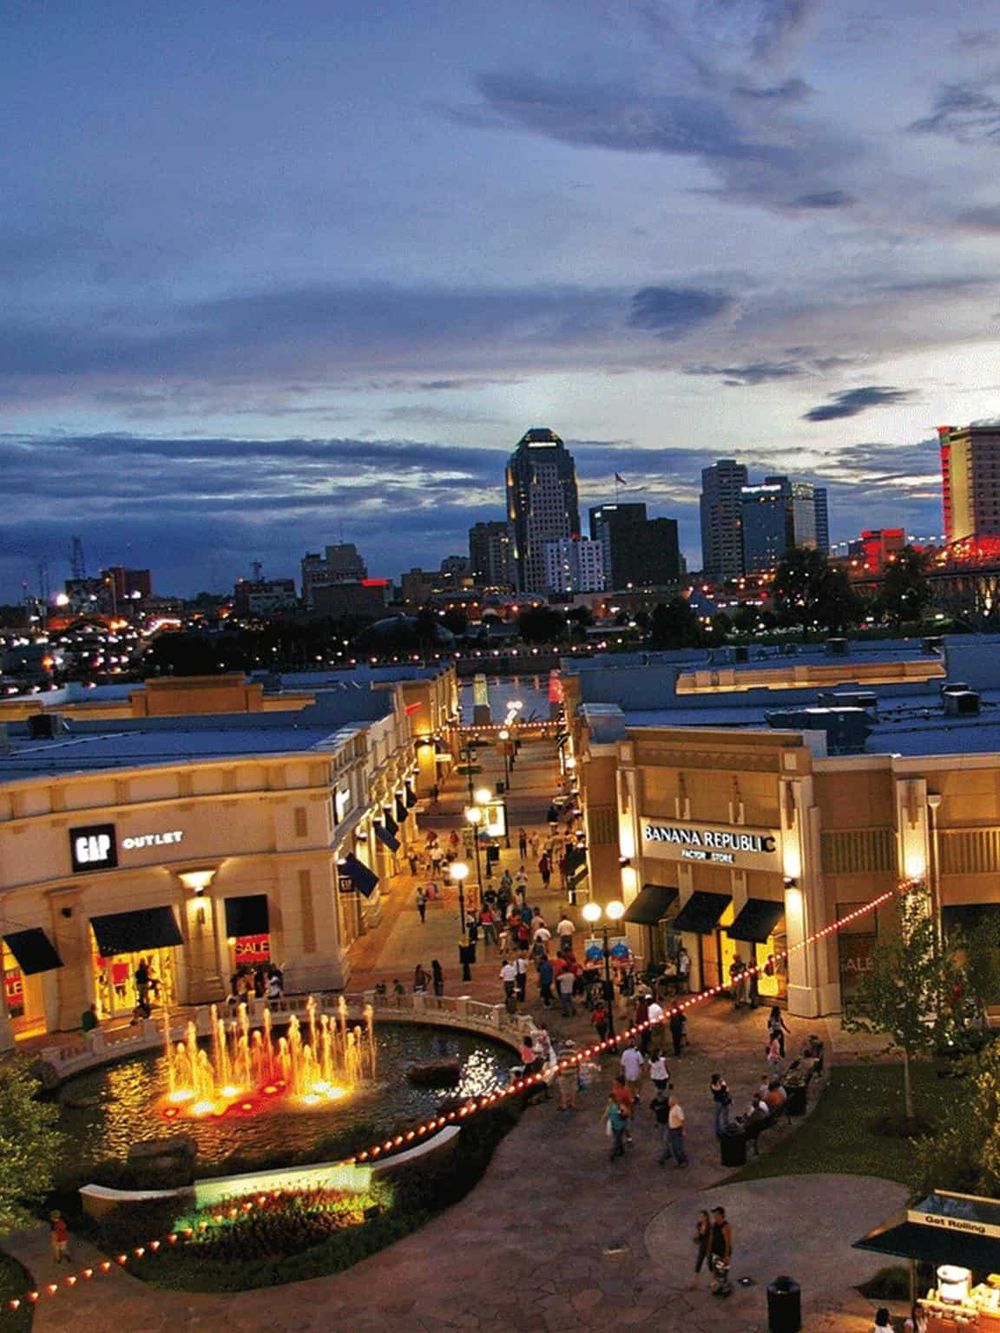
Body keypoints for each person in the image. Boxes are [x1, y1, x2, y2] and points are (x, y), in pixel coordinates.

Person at [709, 1207, 733, 1296]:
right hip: (715, 1252)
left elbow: (728, 1242)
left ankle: (725, 1289)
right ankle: (721, 1288)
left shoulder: (725, 1227)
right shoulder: (715, 1225)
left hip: (722, 1254)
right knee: (717, 1271)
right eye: (714, 1215)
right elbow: (712, 1237)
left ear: (721, 1215)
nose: (714, 1216)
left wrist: (726, 1256)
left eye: (716, 1214)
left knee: (722, 1272)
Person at [688, 1210, 712, 1290]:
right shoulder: (699, 1225)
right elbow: (697, 1237)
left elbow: (711, 1238)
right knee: (699, 1262)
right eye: (700, 1216)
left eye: (702, 1216)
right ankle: (695, 1282)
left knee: (710, 1264)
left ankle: (713, 1281)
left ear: (706, 1217)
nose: (700, 1218)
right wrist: (696, 1236)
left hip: (709, 1247)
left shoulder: (710, 1226)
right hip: (702, 1246)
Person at [606, 1092, 629, 1160]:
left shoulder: (619, 1106)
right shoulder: (610, 1106)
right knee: (618, 1139)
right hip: (614, 1125)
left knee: (616, 1140)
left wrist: (622, 1113)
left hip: (620, 1125)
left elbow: (626, 1113)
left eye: (610, 1100)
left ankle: (613, 1154)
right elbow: (608, 1114)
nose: (609, 1101)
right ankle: (622, 1150)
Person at [556, 1041, 578, 1111]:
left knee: (563, 1091)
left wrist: (558, 1073)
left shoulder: (560, 1053)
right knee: (573, 1090)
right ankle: (572, 1104)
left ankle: (564, 1105)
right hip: (573, 1073)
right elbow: (578, 1064)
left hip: (564, 1074)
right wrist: (578, 1073)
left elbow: (558, 1064)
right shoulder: (574, 1053)